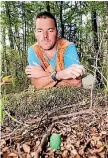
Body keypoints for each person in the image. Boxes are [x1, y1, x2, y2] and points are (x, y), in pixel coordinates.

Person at [25, 11, 85, 88]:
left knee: (90, 80)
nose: (45, 36)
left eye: (50, 30)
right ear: (35, 33)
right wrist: (60, 75)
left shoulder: (68, 47)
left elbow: (76, 83)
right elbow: (37, 84)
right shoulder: (33, 50)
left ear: (56, 32)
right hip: (59, 86)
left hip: (75, 86)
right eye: (40, 31)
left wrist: (44, 75)